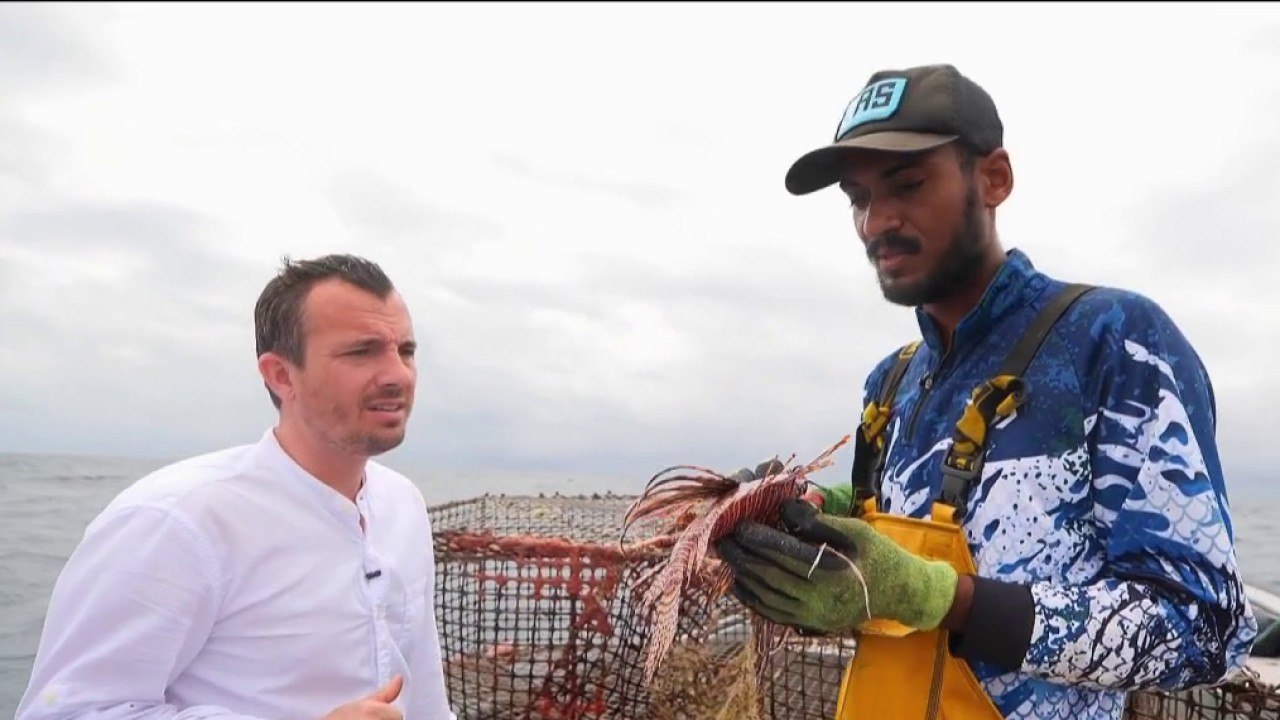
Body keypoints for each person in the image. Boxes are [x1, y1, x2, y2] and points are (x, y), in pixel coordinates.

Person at [714, 64, 1257, 720]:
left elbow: (1206, 631)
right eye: (857, 198)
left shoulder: (1113, 342)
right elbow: (883, 573)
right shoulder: (891, 383)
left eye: (908, 184)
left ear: (993, 178)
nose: (876, 221)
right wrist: (796, 527)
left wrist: (944, 599)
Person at [17, 254, 455, 720]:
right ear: (281, 375)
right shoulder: (176, 520)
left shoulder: (402, 504)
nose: (397, 375)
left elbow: (424, 691)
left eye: (405, 351)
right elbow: (67, 711)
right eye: (361, 351)